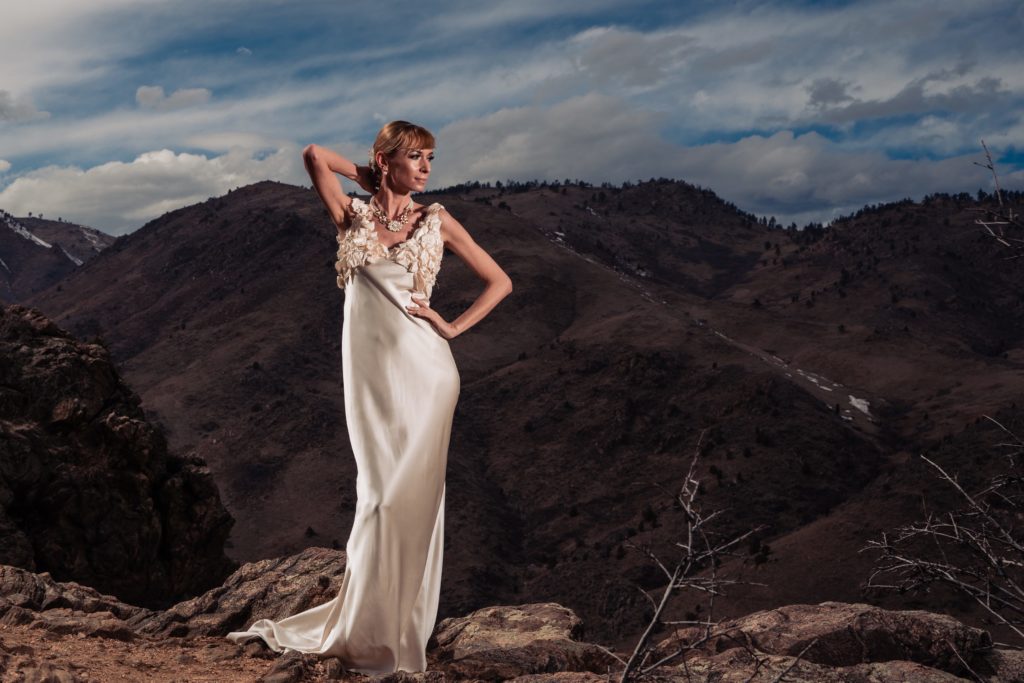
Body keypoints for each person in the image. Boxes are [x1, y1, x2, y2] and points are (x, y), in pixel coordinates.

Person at [225, 121, 513, 674]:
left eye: (431, 157)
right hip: (371, 378)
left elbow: (500, 281)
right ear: (386, 160)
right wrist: (372, 178)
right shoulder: (350, 217)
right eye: (415, 157)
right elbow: (313, 153)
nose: (427, 167)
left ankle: (391, 631)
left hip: (428, 374)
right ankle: (369, 621)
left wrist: (451, 327)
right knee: (378, 497)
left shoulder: (438, 220)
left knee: (408, 501)